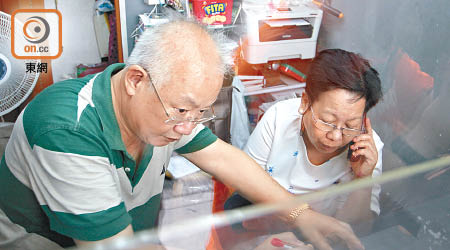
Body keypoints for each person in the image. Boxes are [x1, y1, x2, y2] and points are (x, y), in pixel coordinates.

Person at [0, 20, 363, 250]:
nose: (189, 126)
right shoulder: (66, 130)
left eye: (201, 111)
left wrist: (300, 214)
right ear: (135, 80)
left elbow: (221, 156)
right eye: (182, 110)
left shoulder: (163, 111)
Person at [233, 49, 383, 234]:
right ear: (305, 102)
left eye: (351, 125)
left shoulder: (367, 149)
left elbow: (358, 231)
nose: (336, 136)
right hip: (269, 229)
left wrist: (363, 179)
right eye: (327, 121)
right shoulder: (279, 119)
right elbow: (245, 183)